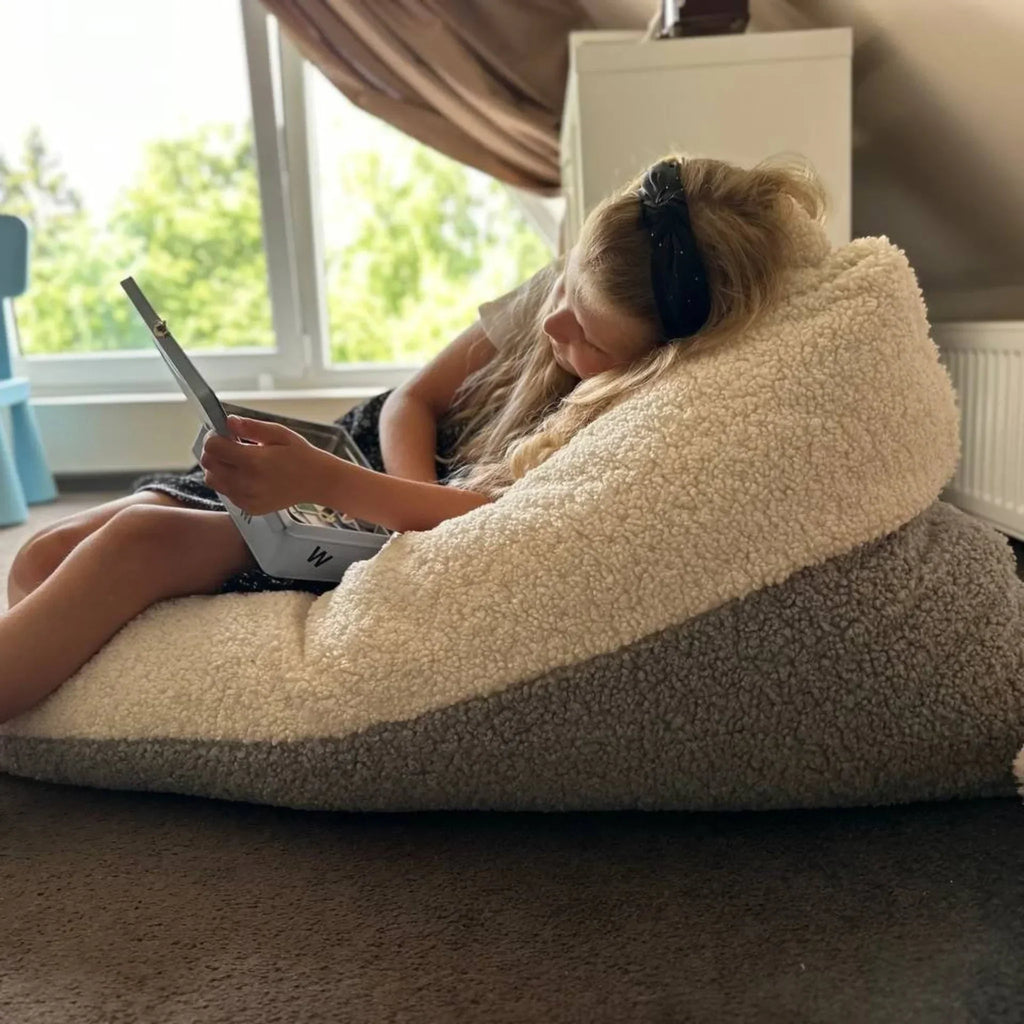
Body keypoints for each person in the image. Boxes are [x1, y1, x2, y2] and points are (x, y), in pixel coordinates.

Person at [0, 153, 827, 722]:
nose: (556, 325)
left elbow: (499, 524)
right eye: (565, 283)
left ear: (652, 358)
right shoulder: (572, 297)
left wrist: (353, 499)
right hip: (346, 467)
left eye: (591, 342)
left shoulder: (633, 415)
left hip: (352, 518)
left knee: (137, 541)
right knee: (40, 556)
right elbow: (409, 402)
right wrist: (350, 482)